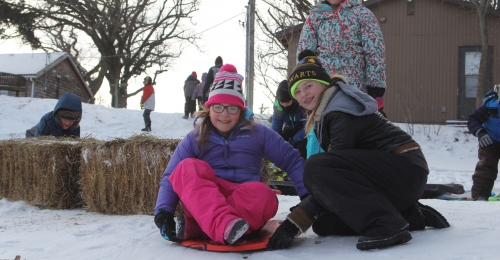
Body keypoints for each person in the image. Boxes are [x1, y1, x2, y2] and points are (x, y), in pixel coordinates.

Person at [267, 50, 449, 251]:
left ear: (324, 83)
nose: (303, 95)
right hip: (389, 179)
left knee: (316, 166)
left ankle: (388, 226)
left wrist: (293, 223)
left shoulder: (340, 111)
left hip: (404, 167)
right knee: (325, 224)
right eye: (298, 92)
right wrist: (306, 217)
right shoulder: (326, 111)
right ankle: (410, 216)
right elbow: (339, 184)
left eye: (308, 86)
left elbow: (331, 176)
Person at [154, 64, 308, 246]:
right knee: (187, 167)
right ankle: (224, 225)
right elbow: (171, 176)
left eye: (232, 108)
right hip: (206, 199)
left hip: (243, 201)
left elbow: (291, 159)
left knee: (265, 196)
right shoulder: (196, 137)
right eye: (218, 107)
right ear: (209, 108)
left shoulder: (257, 133)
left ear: (241, 111)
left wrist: (307, 198)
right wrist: (163, 211)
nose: (225, 114)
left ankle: (199, 227)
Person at [297, 0, 387, 117]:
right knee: (326, 123)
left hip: (355, 86)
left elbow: (374, 51)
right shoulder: (315, 17)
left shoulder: (362, 14)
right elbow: (305, 52)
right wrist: (304, 83)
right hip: (325, 86)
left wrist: (375, 85)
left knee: (353, 123)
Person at [467, 86, 500, 201]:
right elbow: (473, 120)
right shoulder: (490, 105)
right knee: (486, 166)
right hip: (490, 140)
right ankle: (480, 195)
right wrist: (480, 133)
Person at [272, 80, 307, 160]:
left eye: (287, 102)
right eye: (282, 102)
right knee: (280, 146)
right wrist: (276, 141)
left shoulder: (301, 105)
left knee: (300, 148)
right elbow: (276, 128)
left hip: (303, 131)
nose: (285, 105)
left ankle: (302, 168)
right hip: (289, 129)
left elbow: (307, 126)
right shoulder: (278, 108)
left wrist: (294, 140)